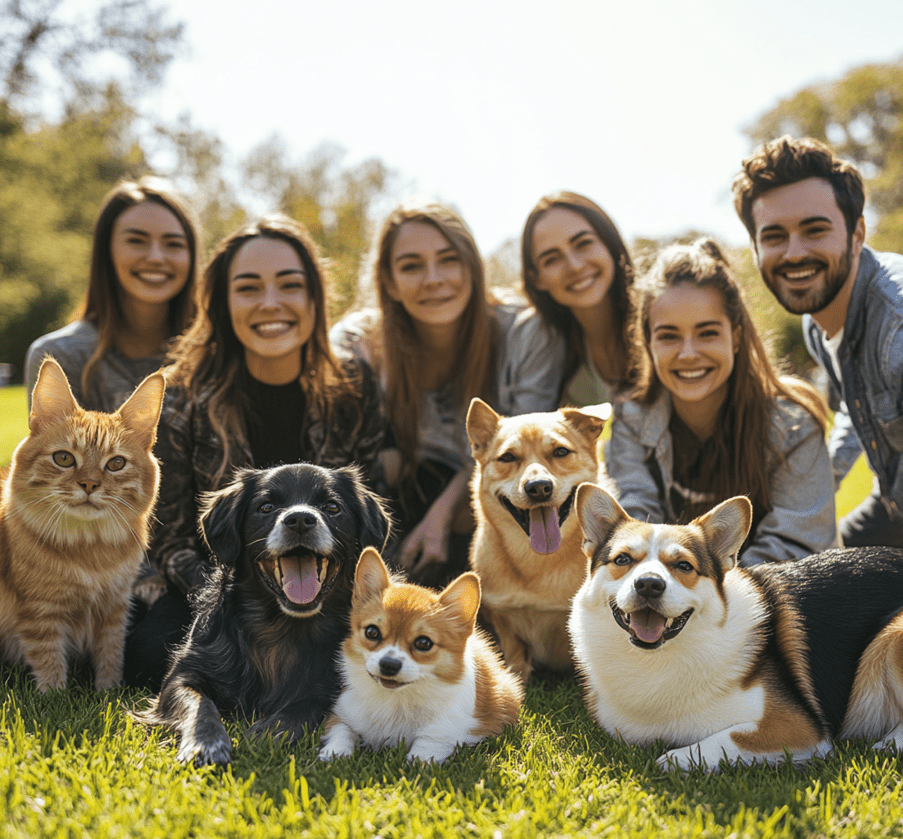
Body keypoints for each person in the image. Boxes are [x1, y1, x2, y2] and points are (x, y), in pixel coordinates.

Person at [127, 213, 384, 688]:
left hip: (333, 583)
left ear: (314, 298)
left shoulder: (353, 385)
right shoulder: (185, 396)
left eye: (289, 285)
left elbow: (366, 509)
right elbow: (170, 537)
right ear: (222, 304)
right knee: (148, 653)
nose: (271, 304)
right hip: (224, 582)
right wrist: (229, 594)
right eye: (248, 288)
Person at [331, 199, 563, 584]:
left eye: (448, 259)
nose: (434, 278)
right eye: (411, 266)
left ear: (472, 266)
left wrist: (441, 515)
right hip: (392, 511)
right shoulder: (361, 345)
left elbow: (526, 453)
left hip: (499, 512)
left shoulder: (525, 333)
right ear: (388, 280)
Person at [607, 238, 838, 566]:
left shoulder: (792, 424)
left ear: (737, 338)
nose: (688, 353)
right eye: (669, 336)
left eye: (707, 333)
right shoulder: (632, 418)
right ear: (648, 342)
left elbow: (796, 545)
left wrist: (708, 596)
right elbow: (632, 530)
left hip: (772, 600)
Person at [733, 135, 903, 548]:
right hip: (893, 500)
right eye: (774, 236)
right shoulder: (818, 319)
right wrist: (819, 477)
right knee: (815, 566)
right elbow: (853, 403)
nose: (794, 253)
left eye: (815, 230)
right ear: (755, 248)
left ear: (857, 233)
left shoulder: (896, 327)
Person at [24, 175, 200, 411]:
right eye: (137, 241)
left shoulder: (217, 353)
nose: (156, 257)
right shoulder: (62, 356)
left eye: (173, 244)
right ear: (106, 252)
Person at [521, 191, 635, 406]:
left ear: (609, 244)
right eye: (551, 259)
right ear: (537, 279)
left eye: (583, 244)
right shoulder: (552, 356)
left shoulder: (661, 319)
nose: (575, 266)